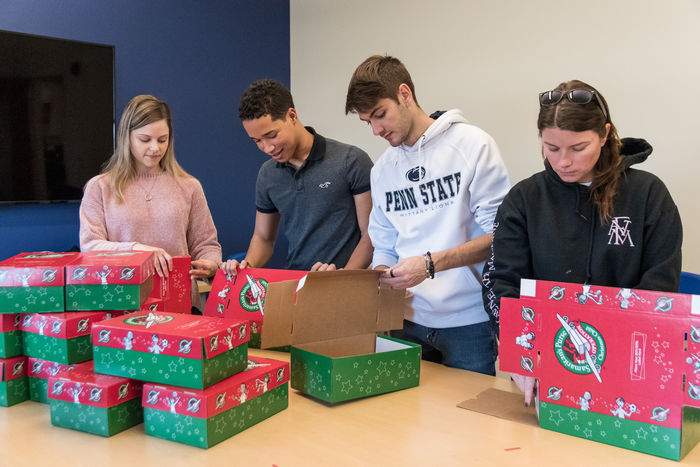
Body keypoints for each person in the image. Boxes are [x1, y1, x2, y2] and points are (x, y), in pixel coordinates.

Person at [482, 80, 683, 403]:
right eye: (551, 148)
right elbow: (501, 282)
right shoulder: (524, 199)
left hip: (626, 368)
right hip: (546, 366)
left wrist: (618, 359)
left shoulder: (647, 195)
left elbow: (659, 287)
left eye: (578, 148)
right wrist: (519, 350)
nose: (563, 161)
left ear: (604, 135)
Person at [345, 55, 511, 375]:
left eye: (380, 115)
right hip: (405, 322)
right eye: (368, 122)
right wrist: (383, 274)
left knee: (468, 424)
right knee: (410, 421)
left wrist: (430, 264)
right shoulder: (382, 171)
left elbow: (502, 237)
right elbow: (384, 244)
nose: (376, 130)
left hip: (468, 323)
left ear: (404, 94)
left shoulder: (472, 145)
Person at [79, 95, 222, 308]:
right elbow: (90, 247)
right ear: (127, 138)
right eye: (145, 140)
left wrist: (211, 264)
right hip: (121, 301)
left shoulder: (189, 186)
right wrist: (139, 250)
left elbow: (206, 244)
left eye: (162, 140)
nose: (155, 148)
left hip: (178, 302)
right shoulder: (100, 187)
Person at [222, 79, 373, 275]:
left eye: (272, 135)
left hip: (344, 284)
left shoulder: (351, 160)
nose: (267, 148)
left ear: (292, 115)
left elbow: (371, 234)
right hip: (295, 285)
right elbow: (263, 238)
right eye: (257, 141)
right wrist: (246, 266)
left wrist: (343, 278)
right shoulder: (268, 174)